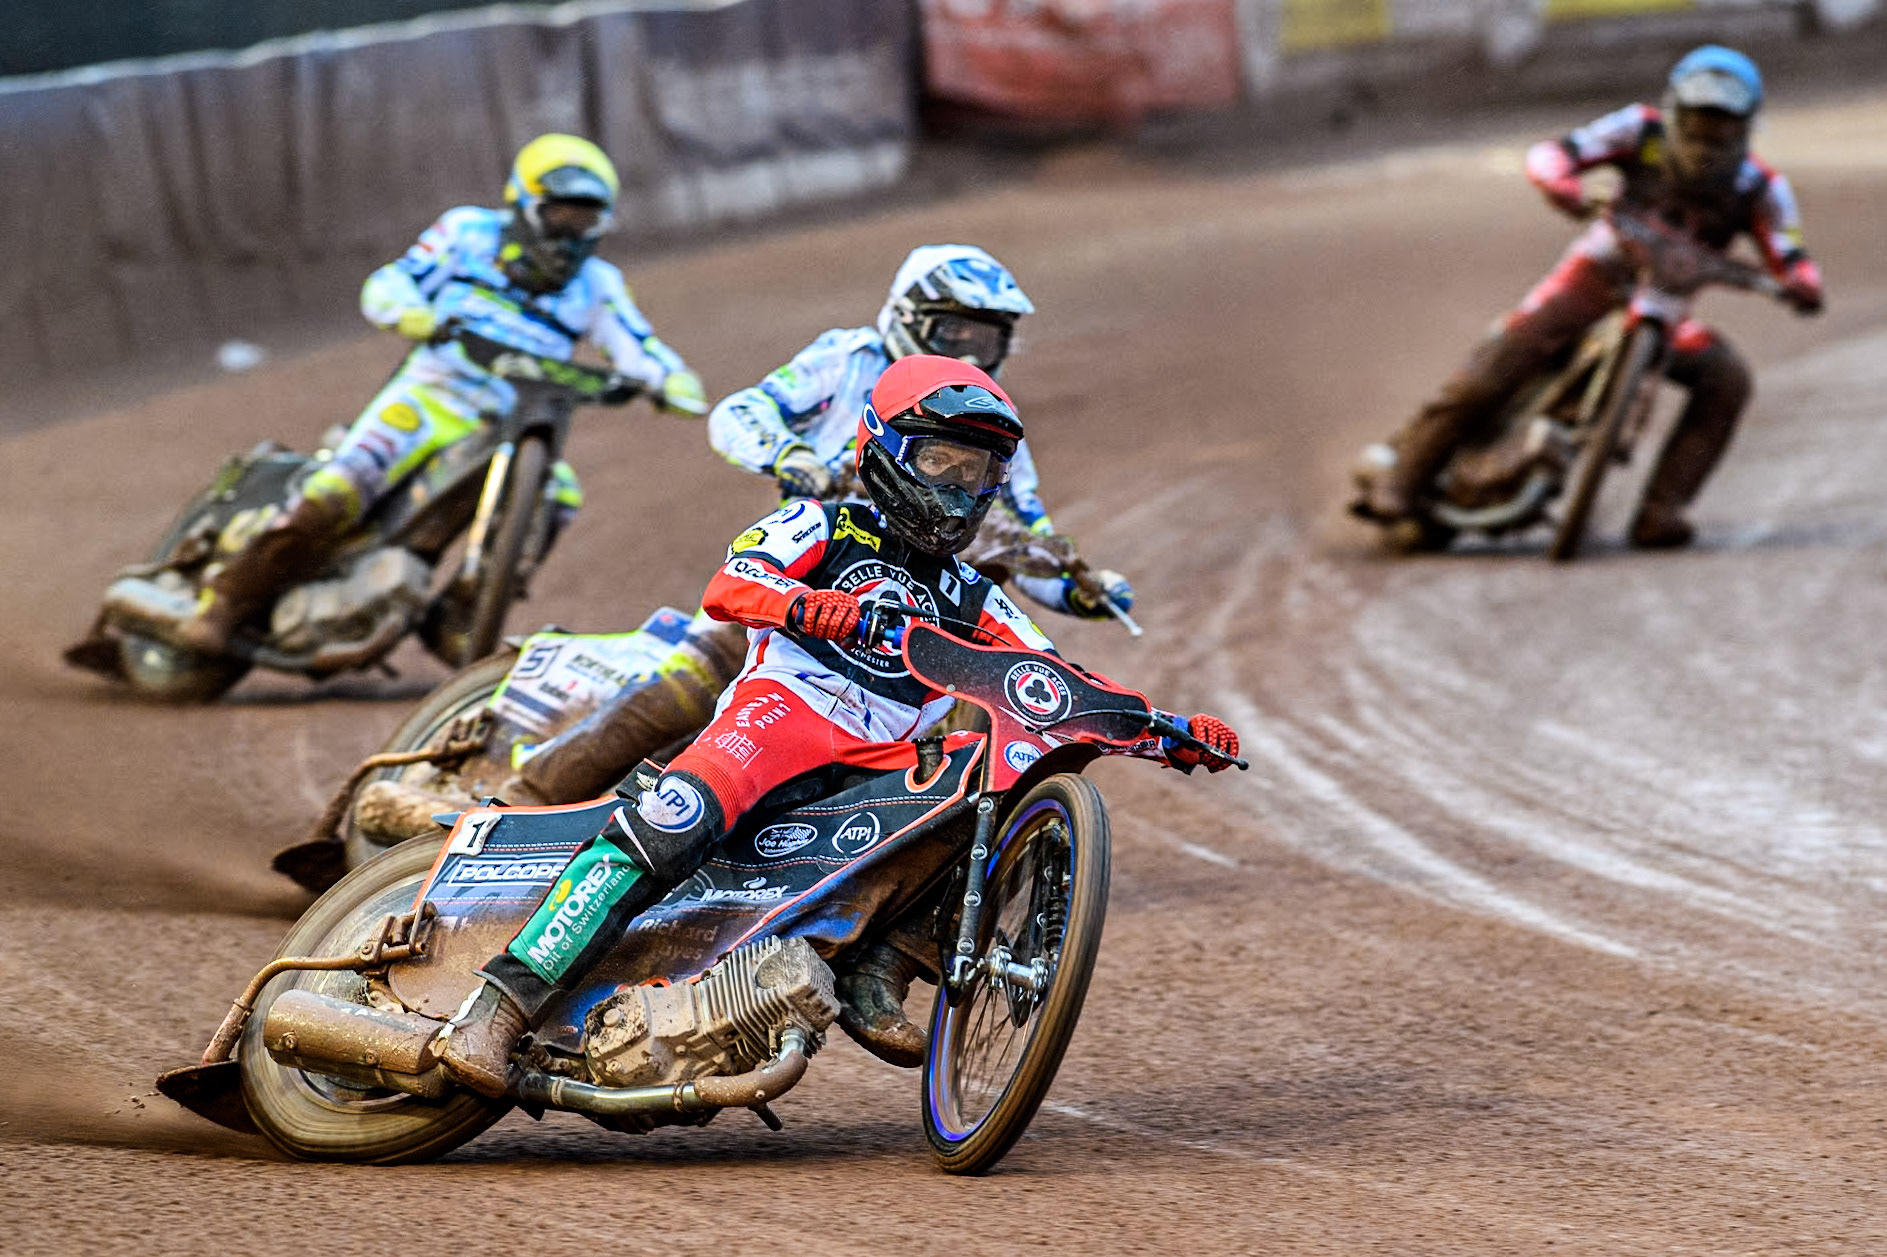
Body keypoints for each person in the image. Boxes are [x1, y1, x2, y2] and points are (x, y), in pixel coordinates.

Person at [436, 355, 1242, 1095]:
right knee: (670, 819)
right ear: (884, 451)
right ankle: (496, 1009)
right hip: (781, 710)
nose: (960, 491)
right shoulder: (823, 524)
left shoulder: (977, 597)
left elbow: (1053, 681)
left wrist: (1166, 731)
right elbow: (733, 580)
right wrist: (802, 602)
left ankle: (882, 964)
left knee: (992, 773)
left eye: (978, 473)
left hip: (888, 754)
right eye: (940, 464)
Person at [176, 133, 705, 655]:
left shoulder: (599, 284)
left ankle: (462, 608)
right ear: (523, 204)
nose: (571, 234)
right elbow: (391, 283)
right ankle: (224, 598)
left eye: (586, 220)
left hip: (511, 420)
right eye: (561, 215)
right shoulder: (467, 233)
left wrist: (670, 381)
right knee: (338, 488)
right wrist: (411, 313)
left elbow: (638, 345)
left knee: (559, 492)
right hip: (431, 397)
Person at [1351, 46, 1824, 549]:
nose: (1709, 138)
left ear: (1749, 125)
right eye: (1700, 120)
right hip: (1592, 277)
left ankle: (1663, 509)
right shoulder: (1638, 130)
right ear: (1674, 112)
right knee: (1507, 354)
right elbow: (1555, 153)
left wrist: (1800, 283)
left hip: (1666, 312)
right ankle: (1404, 476)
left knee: (1727, 378)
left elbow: (1789, 250)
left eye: (1723, 126)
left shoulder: (1762, 188)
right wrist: (1563, 186)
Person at [709, 243, 1134, 620]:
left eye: (984, 341)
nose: (968, 353)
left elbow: (1022, 529)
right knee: (686, 682)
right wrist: (790, 455)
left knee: (991, 654)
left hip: (925, 589)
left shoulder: (992, 417)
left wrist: (1076, 590)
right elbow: (741, 411)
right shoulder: (850, 359)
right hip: (812, 556)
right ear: (907, 318)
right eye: (953, 334)